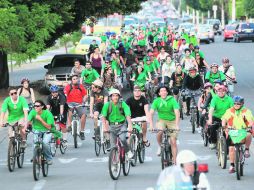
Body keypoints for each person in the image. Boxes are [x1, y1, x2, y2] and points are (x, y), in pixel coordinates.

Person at [222, 96, 253, 173]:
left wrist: (249, 126)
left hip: (243, 131)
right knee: (231, 149)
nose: (236, 105)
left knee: (249, 134)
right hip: (232, 131)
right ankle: (232, 165)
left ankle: (246, 150)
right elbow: (224, 119)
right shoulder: (230, 111)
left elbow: (251, 120)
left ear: (242, 104)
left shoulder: (246, 111)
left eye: (238, 104)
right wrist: (224, 126)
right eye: (234, 103)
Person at [149, 86, 180, 164]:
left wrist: (176, 125)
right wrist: (151, 125)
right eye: (161, 91)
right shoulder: (156, 101)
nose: (163, 92)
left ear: (167, 92)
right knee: (159, 131)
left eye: (164, 91)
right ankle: (160, 146)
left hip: (172, 121)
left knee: (173, 141)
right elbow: (151, 112)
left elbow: (177, 112)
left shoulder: (172, 100)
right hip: (161, 121)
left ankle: (175, 160)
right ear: (159, 93)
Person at [101, 89, 133, 159]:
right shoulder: (107, 105)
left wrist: (130, 125)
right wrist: (104, 127)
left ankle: (128, 151)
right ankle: (114, 163)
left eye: (116, 96)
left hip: (122, 125)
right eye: (113, 96)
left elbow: (127, 115)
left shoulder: (122, 104)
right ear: (110, 97)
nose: (115, 97)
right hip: (112, 126)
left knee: (123, 139)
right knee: (113, 146)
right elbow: (103, 116)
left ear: (119, 97)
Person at [28, 100, 56, 165]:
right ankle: (35, 156)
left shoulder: (47, 113)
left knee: (45, 143)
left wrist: (40, 119)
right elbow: (28, 121)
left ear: (42, 106)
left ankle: (49, 158)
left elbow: (49, 127)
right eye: (34, 106)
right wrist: (25, 127)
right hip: (37, 130)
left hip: (48, 130)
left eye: (37, 106)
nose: (35, 107)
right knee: (35, 143)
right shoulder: (32, 112)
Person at [208, 85, 234, 149]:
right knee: (212, 127)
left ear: (225, 92)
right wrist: (210, 119)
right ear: (217, 92)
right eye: (219, 91)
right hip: (216, 117)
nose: (221, 92)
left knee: (229, 131)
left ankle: (227, 146)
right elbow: (211, 109)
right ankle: (213, 142)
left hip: (226, 118)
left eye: (223, 91)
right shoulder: (215, 98)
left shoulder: (229, 99)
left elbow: (232, 110)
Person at [64, 74, 87, 140]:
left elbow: (85, 95)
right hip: (70, 103)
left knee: (84, 115)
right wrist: (65, 102)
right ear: (71, 80)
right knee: (69, 112)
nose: (75, 80)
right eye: (74, 79)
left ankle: (82, 131)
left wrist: (84, 101)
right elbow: (65, 94)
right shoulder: (68, 86)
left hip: (79, 104)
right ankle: (69, 126)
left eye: (76, 79)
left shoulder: (81, 86)